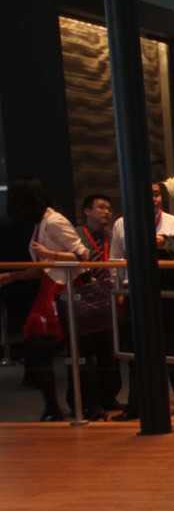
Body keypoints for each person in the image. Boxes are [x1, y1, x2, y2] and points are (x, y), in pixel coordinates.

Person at [110, 181, 174, 419]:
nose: (153, 199)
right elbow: (115, 263)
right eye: (147, 195)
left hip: (172, 296)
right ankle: (136, 406)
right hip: (136, 295)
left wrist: (166, 242)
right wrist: (118, 294)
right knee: (136, 352)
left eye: (155, 194)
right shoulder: (122, 224)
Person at [0, 180, 89, 420]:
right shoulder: (43, 222)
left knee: (42, 348)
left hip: (61, 289)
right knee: (40, 349)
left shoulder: (54, 221)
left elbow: (83, 254)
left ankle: (57, 407)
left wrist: (50, 254)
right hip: (51, 288)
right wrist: (12, 276)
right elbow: (43, 267)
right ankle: (54, 407)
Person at [74, 193, 121, 419]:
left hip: (107, 298)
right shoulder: (75, 236)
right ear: (87, 211)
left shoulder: (110, 237)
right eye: (101, 207)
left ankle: (108, 398)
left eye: (109, 209)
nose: (106, 212)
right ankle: (86, 404)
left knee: (109, 353)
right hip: (82, 300)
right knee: (86, 353)